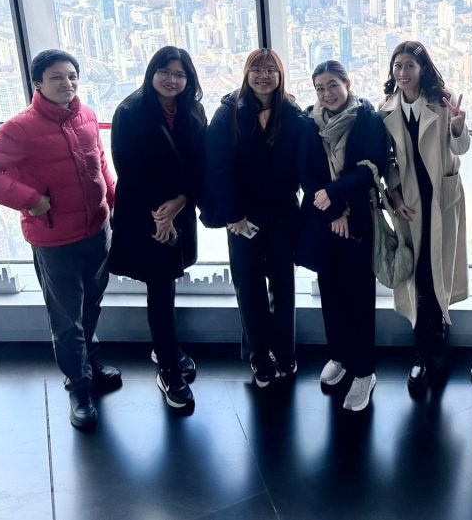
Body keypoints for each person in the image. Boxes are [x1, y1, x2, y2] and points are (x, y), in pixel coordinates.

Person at [0, 49, 120, 430]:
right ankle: (78, 385)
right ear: (38, 83)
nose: (67, 83)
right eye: (57, 77)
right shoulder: (21, 128)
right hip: (55, 239)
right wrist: (31, 200)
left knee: (92, 305)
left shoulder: (86, 115)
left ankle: (89, 363)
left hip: (97, 230)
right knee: (66, 319)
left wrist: (114, 202)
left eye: (72, 76)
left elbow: (99, 162)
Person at [108, 46, 206, 413]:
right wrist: (160, 216)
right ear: (151, 73)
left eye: (180, 74)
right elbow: (129, 171)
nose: (172, 80)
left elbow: (201, 164)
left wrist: (180, 202)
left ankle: (167, 350)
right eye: (165, 71)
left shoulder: (193, 110)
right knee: (160, 290)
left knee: (166, 285)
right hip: (146, 216)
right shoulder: (130, 112)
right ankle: (168, 369)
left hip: (178, 210)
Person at [202, 48, 302, 388]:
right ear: (246, 74)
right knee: (249, 287)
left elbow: (302, 162)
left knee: (284, 286)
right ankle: (259, 356)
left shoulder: (291, 112)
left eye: (271, 70)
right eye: (256, 69)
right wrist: (233, 215)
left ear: (280, 75)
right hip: (241, 217)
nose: (264, 76)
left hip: (282, 213)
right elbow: (216, 167)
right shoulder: (228, 112)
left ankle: (285, 353)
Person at [377, 41, 469, 393]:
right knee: (415, 275)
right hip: (410, 203)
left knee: (434, 275)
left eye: (410, 66)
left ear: (423, 69)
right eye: (397, 66)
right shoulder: (386, 109)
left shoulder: (443, 102)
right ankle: (423, 350)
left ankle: (435, 343)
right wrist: (395, 194)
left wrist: (458, 127)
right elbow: (386, 160)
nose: (402, 73)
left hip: (441, 198)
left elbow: (460, 148)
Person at [298, 60, 387, 411]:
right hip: (324, 219)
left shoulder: (368, 119)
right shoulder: (309, 122)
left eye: (333, 85)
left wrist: (337, 197)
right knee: (330, 293)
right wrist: (334, 211)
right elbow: (306, 171)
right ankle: (339, 355)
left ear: (348, 83)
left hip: (358, 218)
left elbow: (372, 168)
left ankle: (364, 371)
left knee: (360, 296)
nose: (327, 94)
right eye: (320, 88)